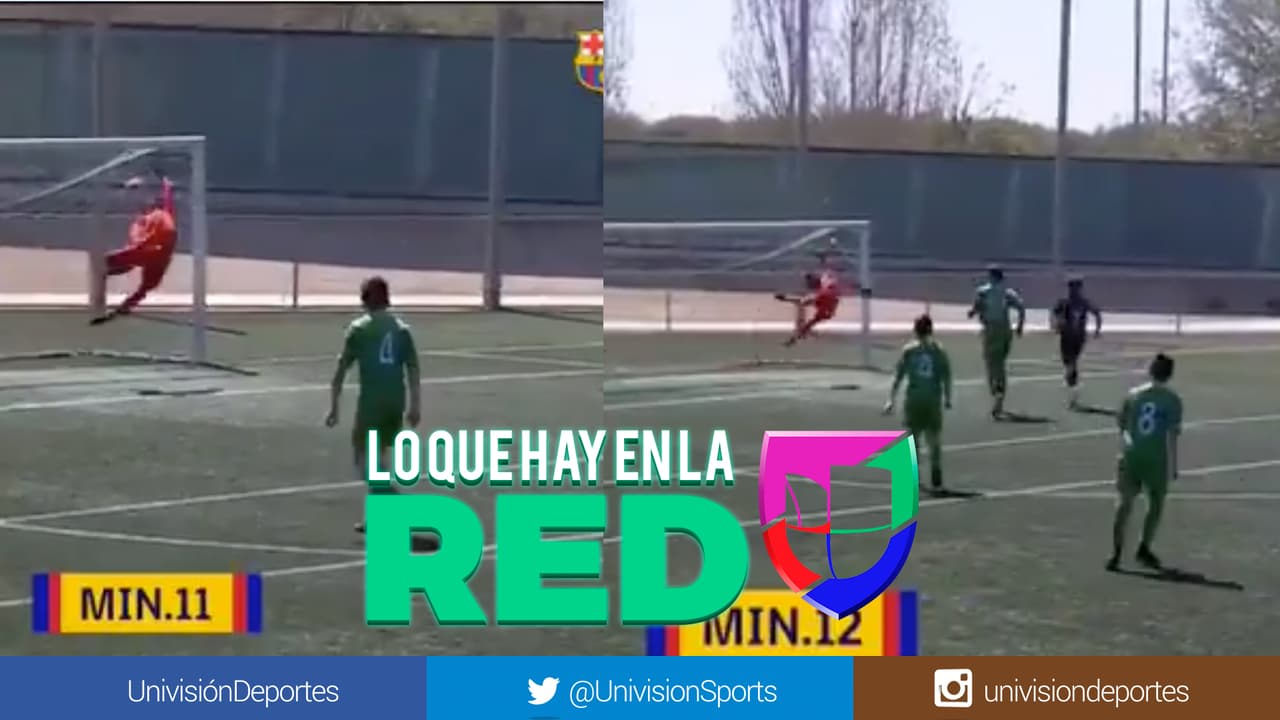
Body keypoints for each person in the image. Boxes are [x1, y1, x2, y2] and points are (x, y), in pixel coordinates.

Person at [324, 277, 435, 546]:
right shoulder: (401, 329)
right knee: (380, 459)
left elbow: (341, 370)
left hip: (372, 405)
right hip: (395, 403)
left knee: (364, 462)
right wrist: (415, 404)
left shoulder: (359, 329)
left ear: (364, 299)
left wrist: (334, 406)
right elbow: (413, 369)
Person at [1108, 353, 1181, 573]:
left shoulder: (1133, 394)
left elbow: (1121, 424)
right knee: (1155, 504)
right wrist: (1173, 466)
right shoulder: (1172, 400)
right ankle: (1144, 547)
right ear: (1170, 375)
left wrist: (1128, 442)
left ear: (1150, 371)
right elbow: (1172, 436)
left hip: (1130, 456)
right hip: (1155, 459)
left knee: (1123, 504)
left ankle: (1116, 553)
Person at [90, 174, 177, 326]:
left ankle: (117, 296)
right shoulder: (154, 218)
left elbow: (140, 248)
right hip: (154, 252)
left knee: (138, 277)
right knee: (142, 283)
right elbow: (167, 204)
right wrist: (166, 186)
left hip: (153, 252)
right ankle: (122, 302)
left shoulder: (156, 220)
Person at [883, 314, 953, 494]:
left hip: (914, 399)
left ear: (915, 330)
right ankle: (936, 477)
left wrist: (891, 399)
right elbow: (946, 376)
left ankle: (914, 478)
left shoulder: (909, 350)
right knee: (933, 439)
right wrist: (948, 397)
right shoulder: (938, 351)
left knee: (912, 440)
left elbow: (898, 376)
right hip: (932, 399)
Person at [967, 265, 1025, 418]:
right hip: (1005, 331)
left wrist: (972, 312)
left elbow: (976, 307)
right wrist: (1020, 326)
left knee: (992, 364)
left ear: (991, 276)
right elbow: (1021, 307)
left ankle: (997, 393)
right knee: (1000, 363)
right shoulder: (1008, 292)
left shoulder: (984, 291)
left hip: (991, 330)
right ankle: (999, 394)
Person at [1051, 276, 1103, 408]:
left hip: (1076, 337)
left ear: (1079, 289)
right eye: (1071, 288)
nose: (1072, 291)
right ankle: (1072, 382)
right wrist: (1055, 325)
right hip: (1067, 336)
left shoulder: (1083, 303)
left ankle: (1073, 389)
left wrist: (1097, 329)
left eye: (1075, 288)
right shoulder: (1064, 302)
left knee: (1072, 361)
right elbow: (1054, 313)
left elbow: (1097, 313)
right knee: (1067, 362)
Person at [776, 254, 841, 347]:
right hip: (828, 299)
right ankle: (797, 335)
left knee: (802, 306)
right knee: (805, 311)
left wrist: (785, 299)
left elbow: (803, 302)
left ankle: (797, 335)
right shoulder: (827, 283)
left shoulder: (824, 293)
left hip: (827, 299)